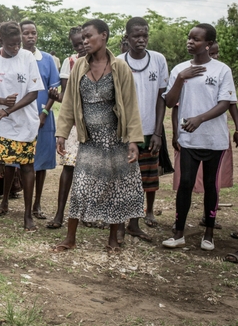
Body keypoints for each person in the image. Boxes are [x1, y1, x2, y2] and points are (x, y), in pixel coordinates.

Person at [53, 19, 144, 253]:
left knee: (115, 188)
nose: (84, 41)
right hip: (90, 140)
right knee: (81, 188)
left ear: (103, 36)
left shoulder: (120, 67)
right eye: (82, 37)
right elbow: (70, 103)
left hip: (116, 140)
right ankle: (70, 238)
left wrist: (133, 139)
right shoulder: (80, 67)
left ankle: (114, 239)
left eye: (89, 36)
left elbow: (131, 105)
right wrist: (62, 133)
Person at [162, 23, 235, 251]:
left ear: (209, 44)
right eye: (189, 38)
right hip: (188, 140)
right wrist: (180, 78)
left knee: (212, 187)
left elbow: (225, 103)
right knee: (185, 184)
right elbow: (169, 102)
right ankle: (179, 232)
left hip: (215, 140)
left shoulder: (221, 69)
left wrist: (200, 118)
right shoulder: (179, 69)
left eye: (196, 39)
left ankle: (209, 234)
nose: (190, 42)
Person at [0, 22, 43, 235]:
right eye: (11, 44)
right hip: (2, 125)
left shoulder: (27, 57)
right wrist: (2, 102)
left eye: (18, 44)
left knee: (26, 168)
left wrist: (9, 109)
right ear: (0, 41)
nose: (16, 48)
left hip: (26, 123)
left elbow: (33, 93)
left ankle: (27, 215)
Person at [116, 17, 169, 242]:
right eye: (136, 35)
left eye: (144, 35)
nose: (141, 39)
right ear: (127, 37)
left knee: (145, 179)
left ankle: (134, 223)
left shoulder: (158, 59)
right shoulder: (118, 61)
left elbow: (161, 97)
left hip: (149, 130)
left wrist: (157, 132)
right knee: (122, 179)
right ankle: (118, 224)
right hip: (125, 132)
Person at [19, 21, 60, 221]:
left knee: (41, 162)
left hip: (42, 118)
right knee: (16, 162)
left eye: (33, 33)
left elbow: (54, 90)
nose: (30, 36)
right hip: (19, 117)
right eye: (25, 33)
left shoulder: (47, 59)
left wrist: (44, 112)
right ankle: (7, 202)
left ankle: (37, 204)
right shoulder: (15, 57)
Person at [46, 26, 86, 229]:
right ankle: (60, 214)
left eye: (83, 41)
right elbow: (66, 97)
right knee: (69, 167)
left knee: (91, 170)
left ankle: (87, 214)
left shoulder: (104, 62)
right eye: (76, 44)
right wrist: (55, 96)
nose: (81, 46)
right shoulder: (70, 62)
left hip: (96, 123)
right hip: (74, 124)